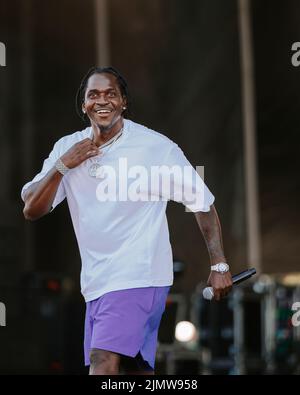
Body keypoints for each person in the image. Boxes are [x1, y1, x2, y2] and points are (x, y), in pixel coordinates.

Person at [21, 67, 233, 375]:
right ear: (84, 105)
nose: (102, 101)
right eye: (93, 95)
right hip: (96, 283)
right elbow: (31, 209)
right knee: (135, 371)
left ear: (123, 103)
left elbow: (202, 203)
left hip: (138, 275)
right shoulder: (67, 148)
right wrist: (63, 165)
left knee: (102, 363)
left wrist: (219, 264)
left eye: (111, 94)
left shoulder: (156, 148)